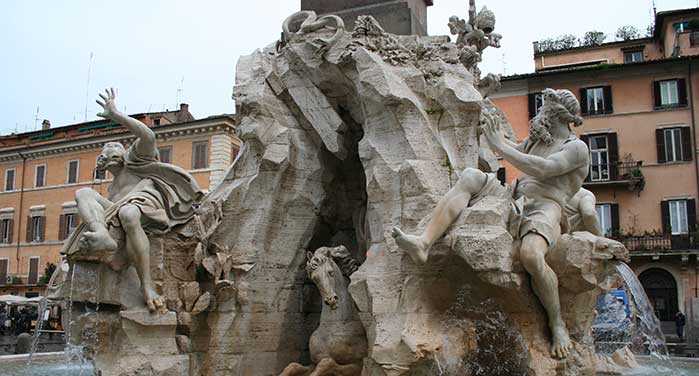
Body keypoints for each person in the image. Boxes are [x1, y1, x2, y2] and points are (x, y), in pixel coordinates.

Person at [392, 88, 588, 359]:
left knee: (530, 254)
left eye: (545, 108)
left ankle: (557, 324)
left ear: (557, 114)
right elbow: (513, 149)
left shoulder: (576, 148)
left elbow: (541, 169)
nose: (540, 112)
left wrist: (500, 145)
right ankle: (424, 242)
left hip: (546, 207)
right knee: (472, 176)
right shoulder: (539, 139)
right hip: (513, 196)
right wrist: (490, 125)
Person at [66, 88, 203, 311]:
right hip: (119, 212)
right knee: (83, 193)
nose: (105, 153)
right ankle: (101, 234)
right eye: (103, 151)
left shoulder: (136, 160)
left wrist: (116, 114)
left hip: (146, 208)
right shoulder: (111, 189)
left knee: (128, 213)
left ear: (121, 153)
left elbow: (149, 136)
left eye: (111, 148)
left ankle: (146, 286)